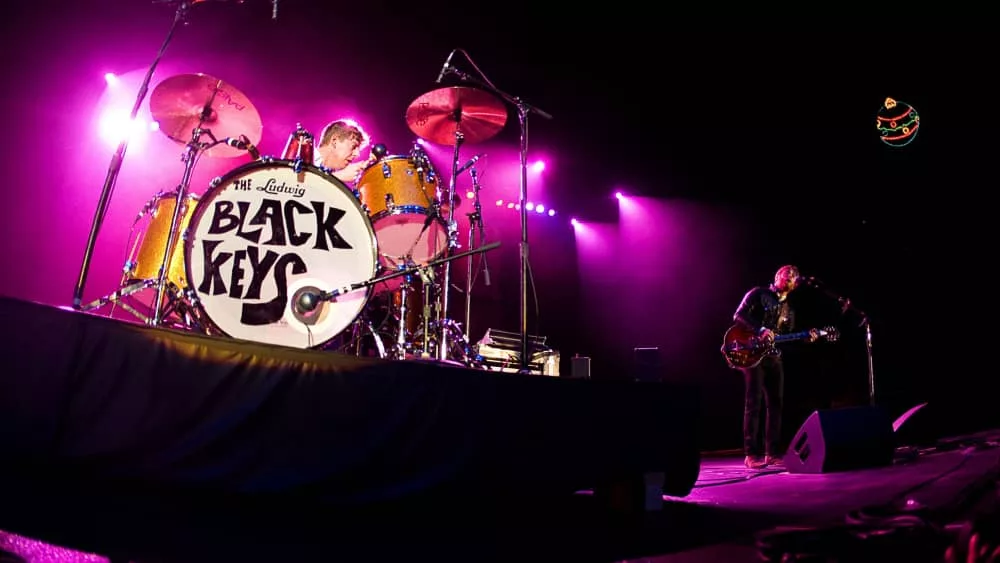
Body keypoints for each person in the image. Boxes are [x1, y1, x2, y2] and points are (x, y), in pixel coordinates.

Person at [731, 264, 818, 469]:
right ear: (777, 276)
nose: (791, 277)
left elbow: (785, 338)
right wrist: (760, 329)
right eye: (787, 274)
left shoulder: (790, 309)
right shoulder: (758, 293)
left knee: (776, 404)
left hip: (774, 357)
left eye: (794, 276)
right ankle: (751, 454)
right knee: (754, 402)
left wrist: (806, 339)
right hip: (752, 353)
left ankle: (772, 453)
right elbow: (739, 315)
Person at [315, 119, 374, 184]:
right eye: (353, 146)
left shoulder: (332, 173)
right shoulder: (303, 153)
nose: (357, 154)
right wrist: (338, 177)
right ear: (334, 141)